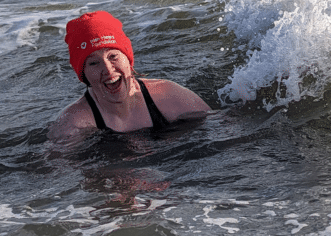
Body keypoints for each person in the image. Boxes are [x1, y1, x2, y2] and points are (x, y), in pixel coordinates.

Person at [48, 11, 211, 141]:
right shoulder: (74, 124)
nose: (108, 69)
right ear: (83, 74)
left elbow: (221, 129)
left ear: (128, 60)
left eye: (113, 56)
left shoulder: (169, 96)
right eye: (93, 63)